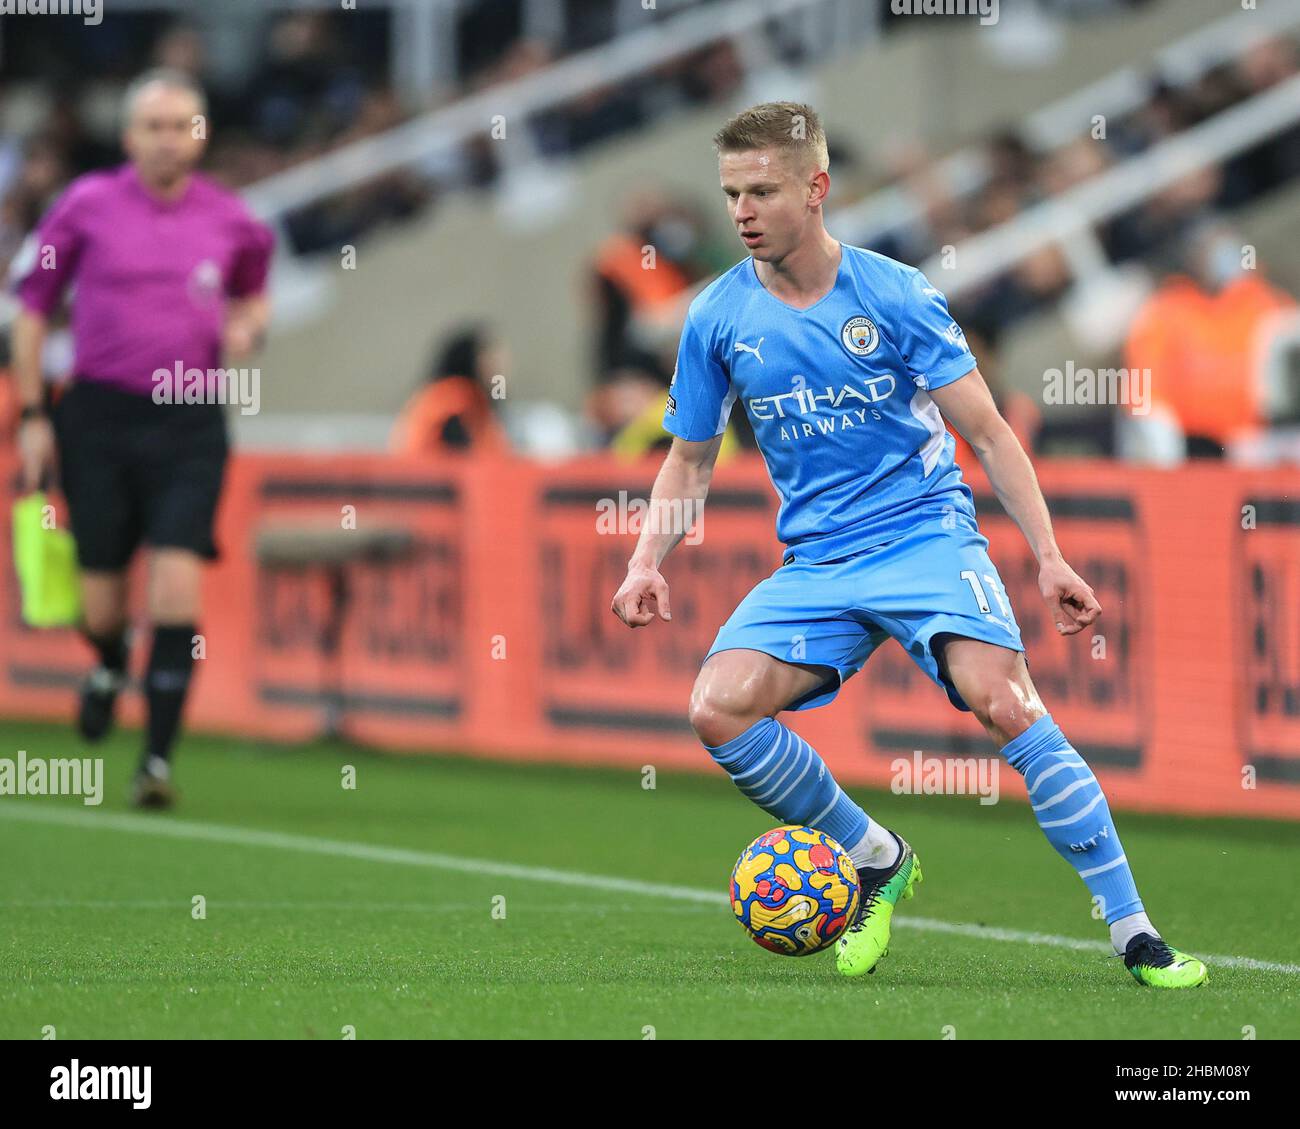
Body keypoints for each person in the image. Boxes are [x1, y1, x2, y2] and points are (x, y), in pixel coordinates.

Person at [610, 102, 1206, 989]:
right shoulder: (716, 317)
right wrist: (645, 558)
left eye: (762, 190)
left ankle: (1133, 931)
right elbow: (690, 460)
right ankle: (876, 854)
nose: (741, 210)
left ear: (815, 190)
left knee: (1005, 702)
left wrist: (1047, 554)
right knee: (717, 707)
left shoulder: (895, 293)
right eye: (732, 192)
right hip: (818, 561)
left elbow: (993, 435)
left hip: (925, 536)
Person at [12, 69, 274, 808]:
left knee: (176, 582)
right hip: (97, 416)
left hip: (190, 419)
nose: (169, 139)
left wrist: (250, 323)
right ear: (129, 137)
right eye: (154, 125)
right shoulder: (85, 207)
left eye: (183, 124)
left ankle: (155, 761)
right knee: (101, 604)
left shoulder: (232, 221)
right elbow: (32, 309)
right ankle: (105, 660)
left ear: (203, 134)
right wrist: (35, 414)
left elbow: (253, 290)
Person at [389, 327, 511, 456]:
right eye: (494, 359)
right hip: (438, 473)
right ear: (474, 360)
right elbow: (457, 452)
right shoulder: (454, 397)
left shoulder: (479, 398)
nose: (501, 369)